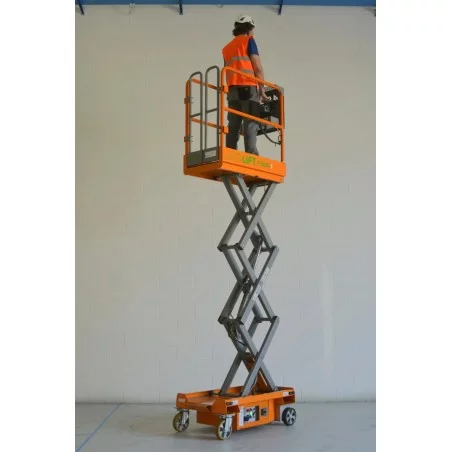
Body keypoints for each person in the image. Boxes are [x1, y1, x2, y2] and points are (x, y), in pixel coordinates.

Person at [222, 15, 270, 156]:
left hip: (232, 91)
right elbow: (257, 67)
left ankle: (230, 154)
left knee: (233, 124)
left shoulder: (226, 48)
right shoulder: (249, 41)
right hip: (248, 88)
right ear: (249, 29)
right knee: (250, 122)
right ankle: (251, 155)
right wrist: (262, 90)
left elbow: (227, 69)